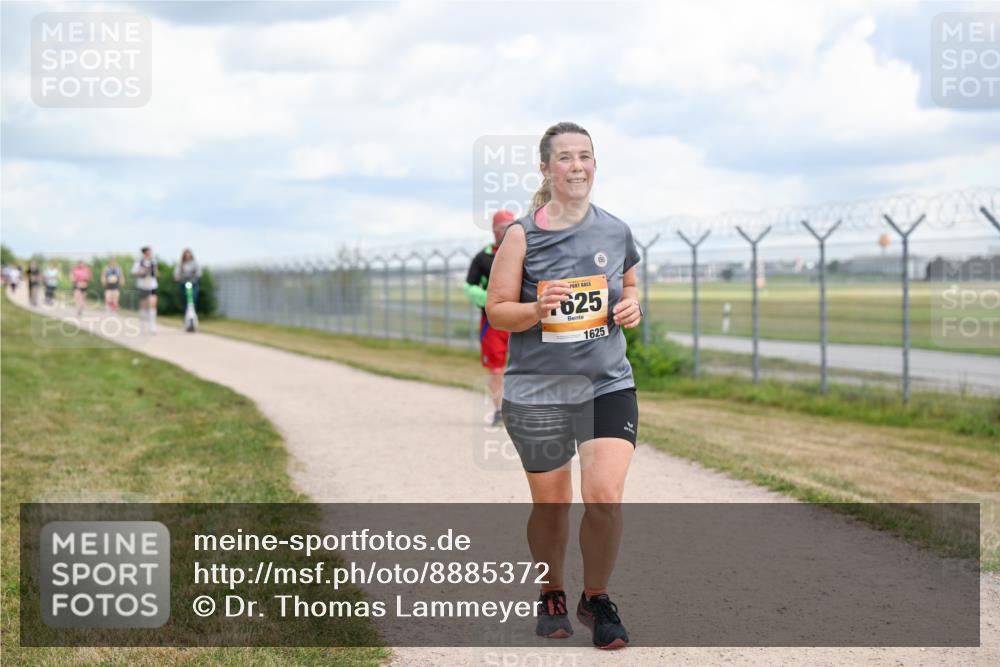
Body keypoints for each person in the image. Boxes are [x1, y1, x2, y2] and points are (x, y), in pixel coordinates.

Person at [486, 122, 642, 649]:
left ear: (595, 165)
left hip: (606, 384)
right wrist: (536, 308)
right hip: (539, 391)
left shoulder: (616, 230)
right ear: (546, 169)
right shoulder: (522, 235)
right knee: (552, 506)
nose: (578, 166)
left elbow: (630, 283)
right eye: (566, 158)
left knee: (604, 496)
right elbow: (498, 311)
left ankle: (595, 598)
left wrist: (632, 305)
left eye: (586, 156)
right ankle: (551, 589)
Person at [465, 211, 515, 426]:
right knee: (496, 367)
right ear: (494, 230)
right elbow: (469, 287)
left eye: (510, 226)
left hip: (520, 319)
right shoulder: (483, 257)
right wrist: (493, 300)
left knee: (527, 365)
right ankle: (500, 409)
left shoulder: (522, 252)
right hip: (493, 322)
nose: (506, 230)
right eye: (502, 226)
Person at [132, 246, 159, 332]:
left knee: (152, 305)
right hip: (142, 286)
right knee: (143, 306)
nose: (150, 254)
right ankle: (142, 326)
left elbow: (157, 273)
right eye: (148, 252)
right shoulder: (138, 262)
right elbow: (133, 273)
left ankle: (152, 326)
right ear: (144, 253)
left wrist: (155, 273)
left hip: (152, 286)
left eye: (150, 252)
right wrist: (141, 272)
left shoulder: (153, 262)